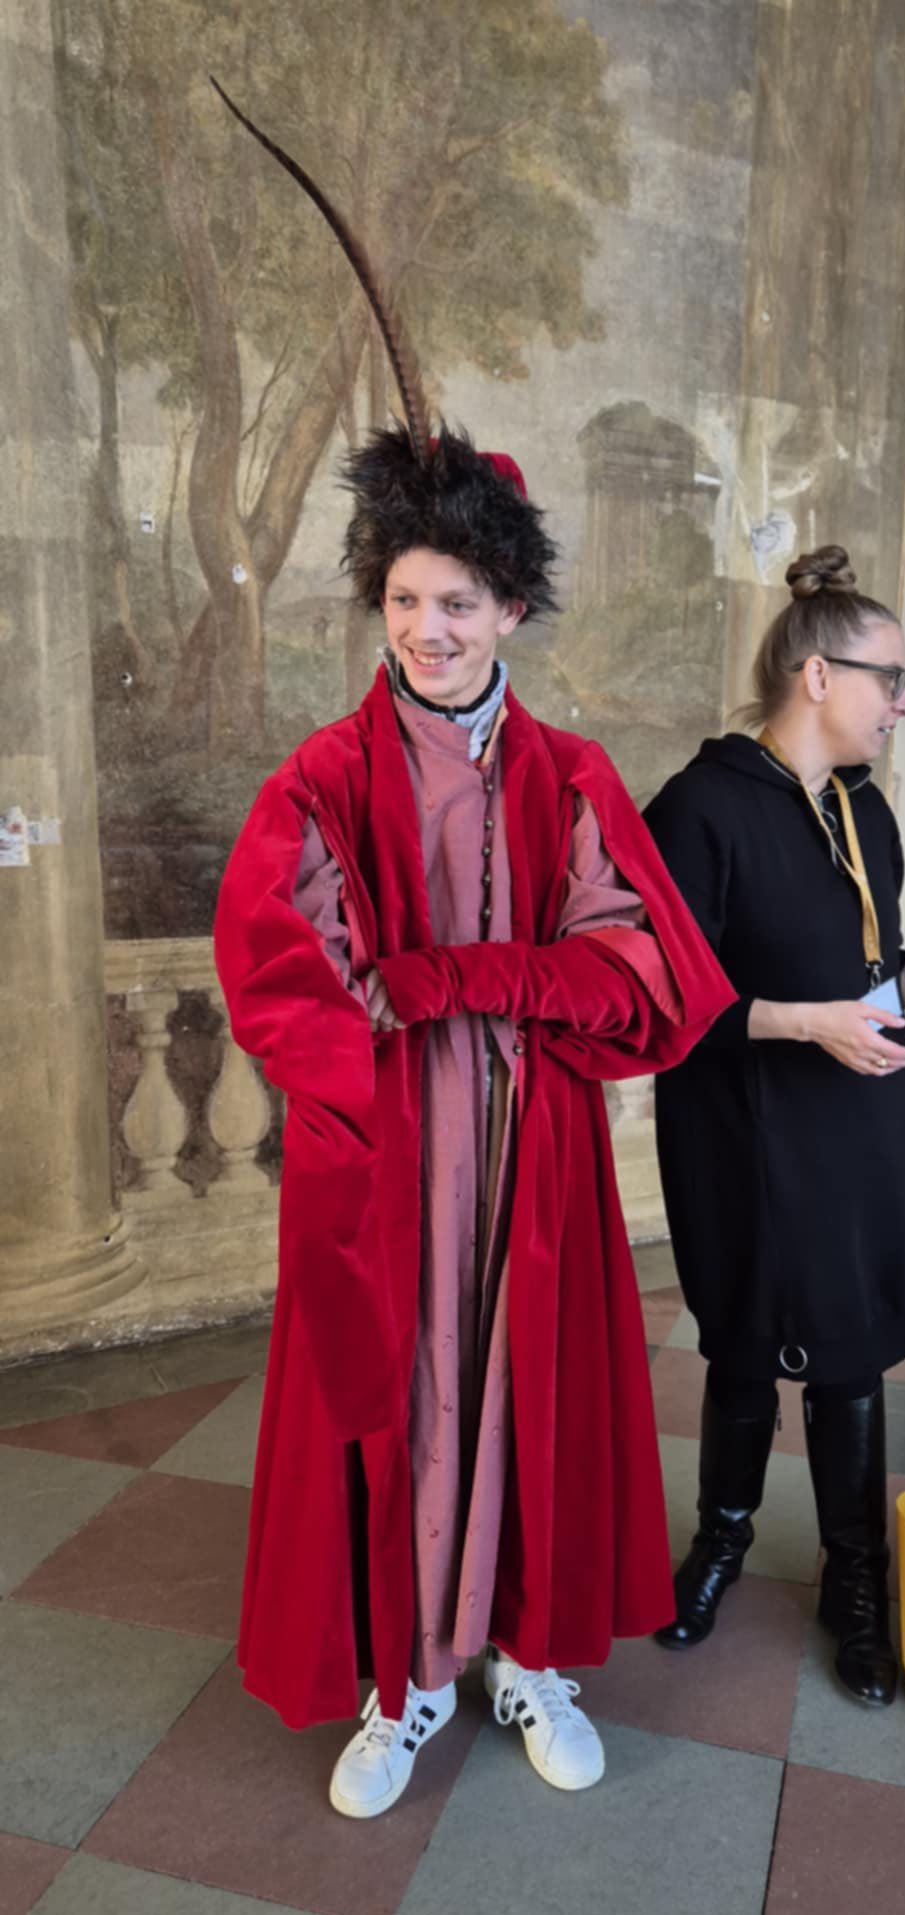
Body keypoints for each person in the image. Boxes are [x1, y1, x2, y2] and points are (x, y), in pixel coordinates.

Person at [211, 91, 733, 1815]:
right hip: (385, 1151)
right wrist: (392, 1011)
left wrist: (464, 974)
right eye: (404, 602)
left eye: (458, 602)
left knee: (526, 1392)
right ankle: (404, 1676)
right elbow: (285, 967)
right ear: (381, 607)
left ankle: (526, 1655)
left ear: (511, 609)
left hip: (534, 1142)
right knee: (406, 1397)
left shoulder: (571, 776)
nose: (429, 630)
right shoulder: (321, 777)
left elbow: (644, 975)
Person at [642, 546, 905, 1706]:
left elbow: (871, 964)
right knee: (743, 1338)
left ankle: (856, 1578)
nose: (900, 704)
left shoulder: (861, 806)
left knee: (850, 1349)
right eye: (888, 679)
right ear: (816, 674)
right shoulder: (699, 807)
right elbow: (663, 996)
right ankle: (720, 1540)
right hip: (743, 1126)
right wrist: (807, 1024)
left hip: (856, 1121)